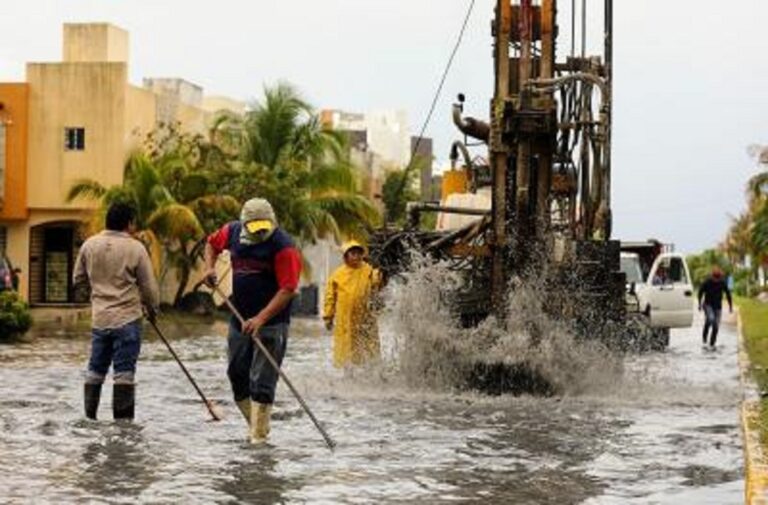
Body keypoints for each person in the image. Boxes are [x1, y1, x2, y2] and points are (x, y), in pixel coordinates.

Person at [203, 198, 301, 444]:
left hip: (272, 322)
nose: (259, 234)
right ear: (244, 223)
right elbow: (211, 245)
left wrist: (261, 319)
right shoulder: (231, 232)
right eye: (254, 228)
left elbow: (288, 289)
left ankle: (258, 439)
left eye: (263, 228)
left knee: (262, 381)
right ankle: (256, 426)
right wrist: (209, 268)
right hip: (239, 317)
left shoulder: (284, 247)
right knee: (237, 374)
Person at [73, 202, 159, 421]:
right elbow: (149, 288)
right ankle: (123, 429)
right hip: (128, 319)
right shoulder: (136, 248)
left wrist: (96, 296)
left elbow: (78, 280)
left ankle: (89, 419)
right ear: (129, 223)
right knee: (124, 374)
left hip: (100, 319)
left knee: (95, 371)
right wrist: (152, 310)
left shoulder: (89, 245)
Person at [323, 240, 382, 368]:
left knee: (368, 348)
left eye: (359, 253)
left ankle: (369, 372)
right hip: (346, 320)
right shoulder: (337, 275)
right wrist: (328, 316)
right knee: (347, 350)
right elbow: (330, 297)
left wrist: (381, 273)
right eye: (353, 253)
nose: (356, 256)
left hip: (365, 316)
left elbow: (377, 282)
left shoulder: (369, 270)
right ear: (346, 256)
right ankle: (348, 373)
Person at [697, 266, 733, 348]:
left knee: (716, 325)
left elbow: (728, 294)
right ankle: (704, 338)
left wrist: (730, 306)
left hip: (718, 307)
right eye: (715, 278)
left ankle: (712, 344)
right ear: (712, 276)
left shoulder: (722, 282)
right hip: (708, 305)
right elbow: (700, 292)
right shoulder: (707, 282)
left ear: (720, 277)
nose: (716, 280)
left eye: (718, 278)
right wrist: (699, 303)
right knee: (711, 319)